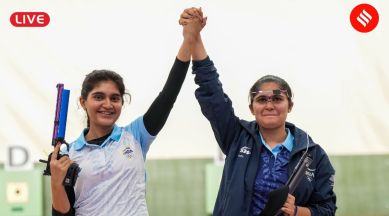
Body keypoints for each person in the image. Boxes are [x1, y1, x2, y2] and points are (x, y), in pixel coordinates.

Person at [179, 8, 336, 216]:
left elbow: (327, 209)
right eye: (261, 99)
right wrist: (194, 37)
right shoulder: (236, 137)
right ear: (252, 108)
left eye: (277, 99)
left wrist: (297, 211)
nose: (269, 105)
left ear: (290, 105)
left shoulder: (313, 154)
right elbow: (212, 92)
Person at [49, 12, 205, 215]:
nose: (108, 104)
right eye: (98, 97)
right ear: (83, 102)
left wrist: (189, 39)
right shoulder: (69, 154)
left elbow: (168, 95)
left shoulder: (136, 136)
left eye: (115, 98)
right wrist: (56, 182)